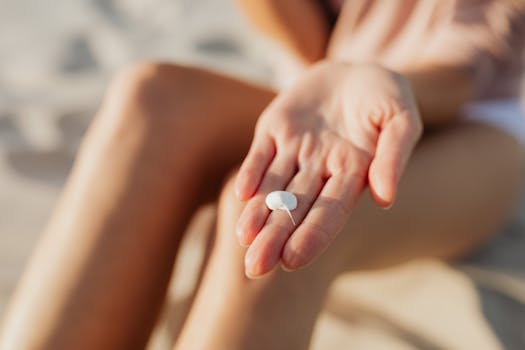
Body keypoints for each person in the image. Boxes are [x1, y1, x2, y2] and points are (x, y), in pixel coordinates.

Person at [1, 0, 524, 349]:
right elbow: (307, 39)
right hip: (331, 90)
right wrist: (333, 71)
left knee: (272, 235)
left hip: (482, 109)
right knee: (151, 100)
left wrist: (380, 77)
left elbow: (474, 63)